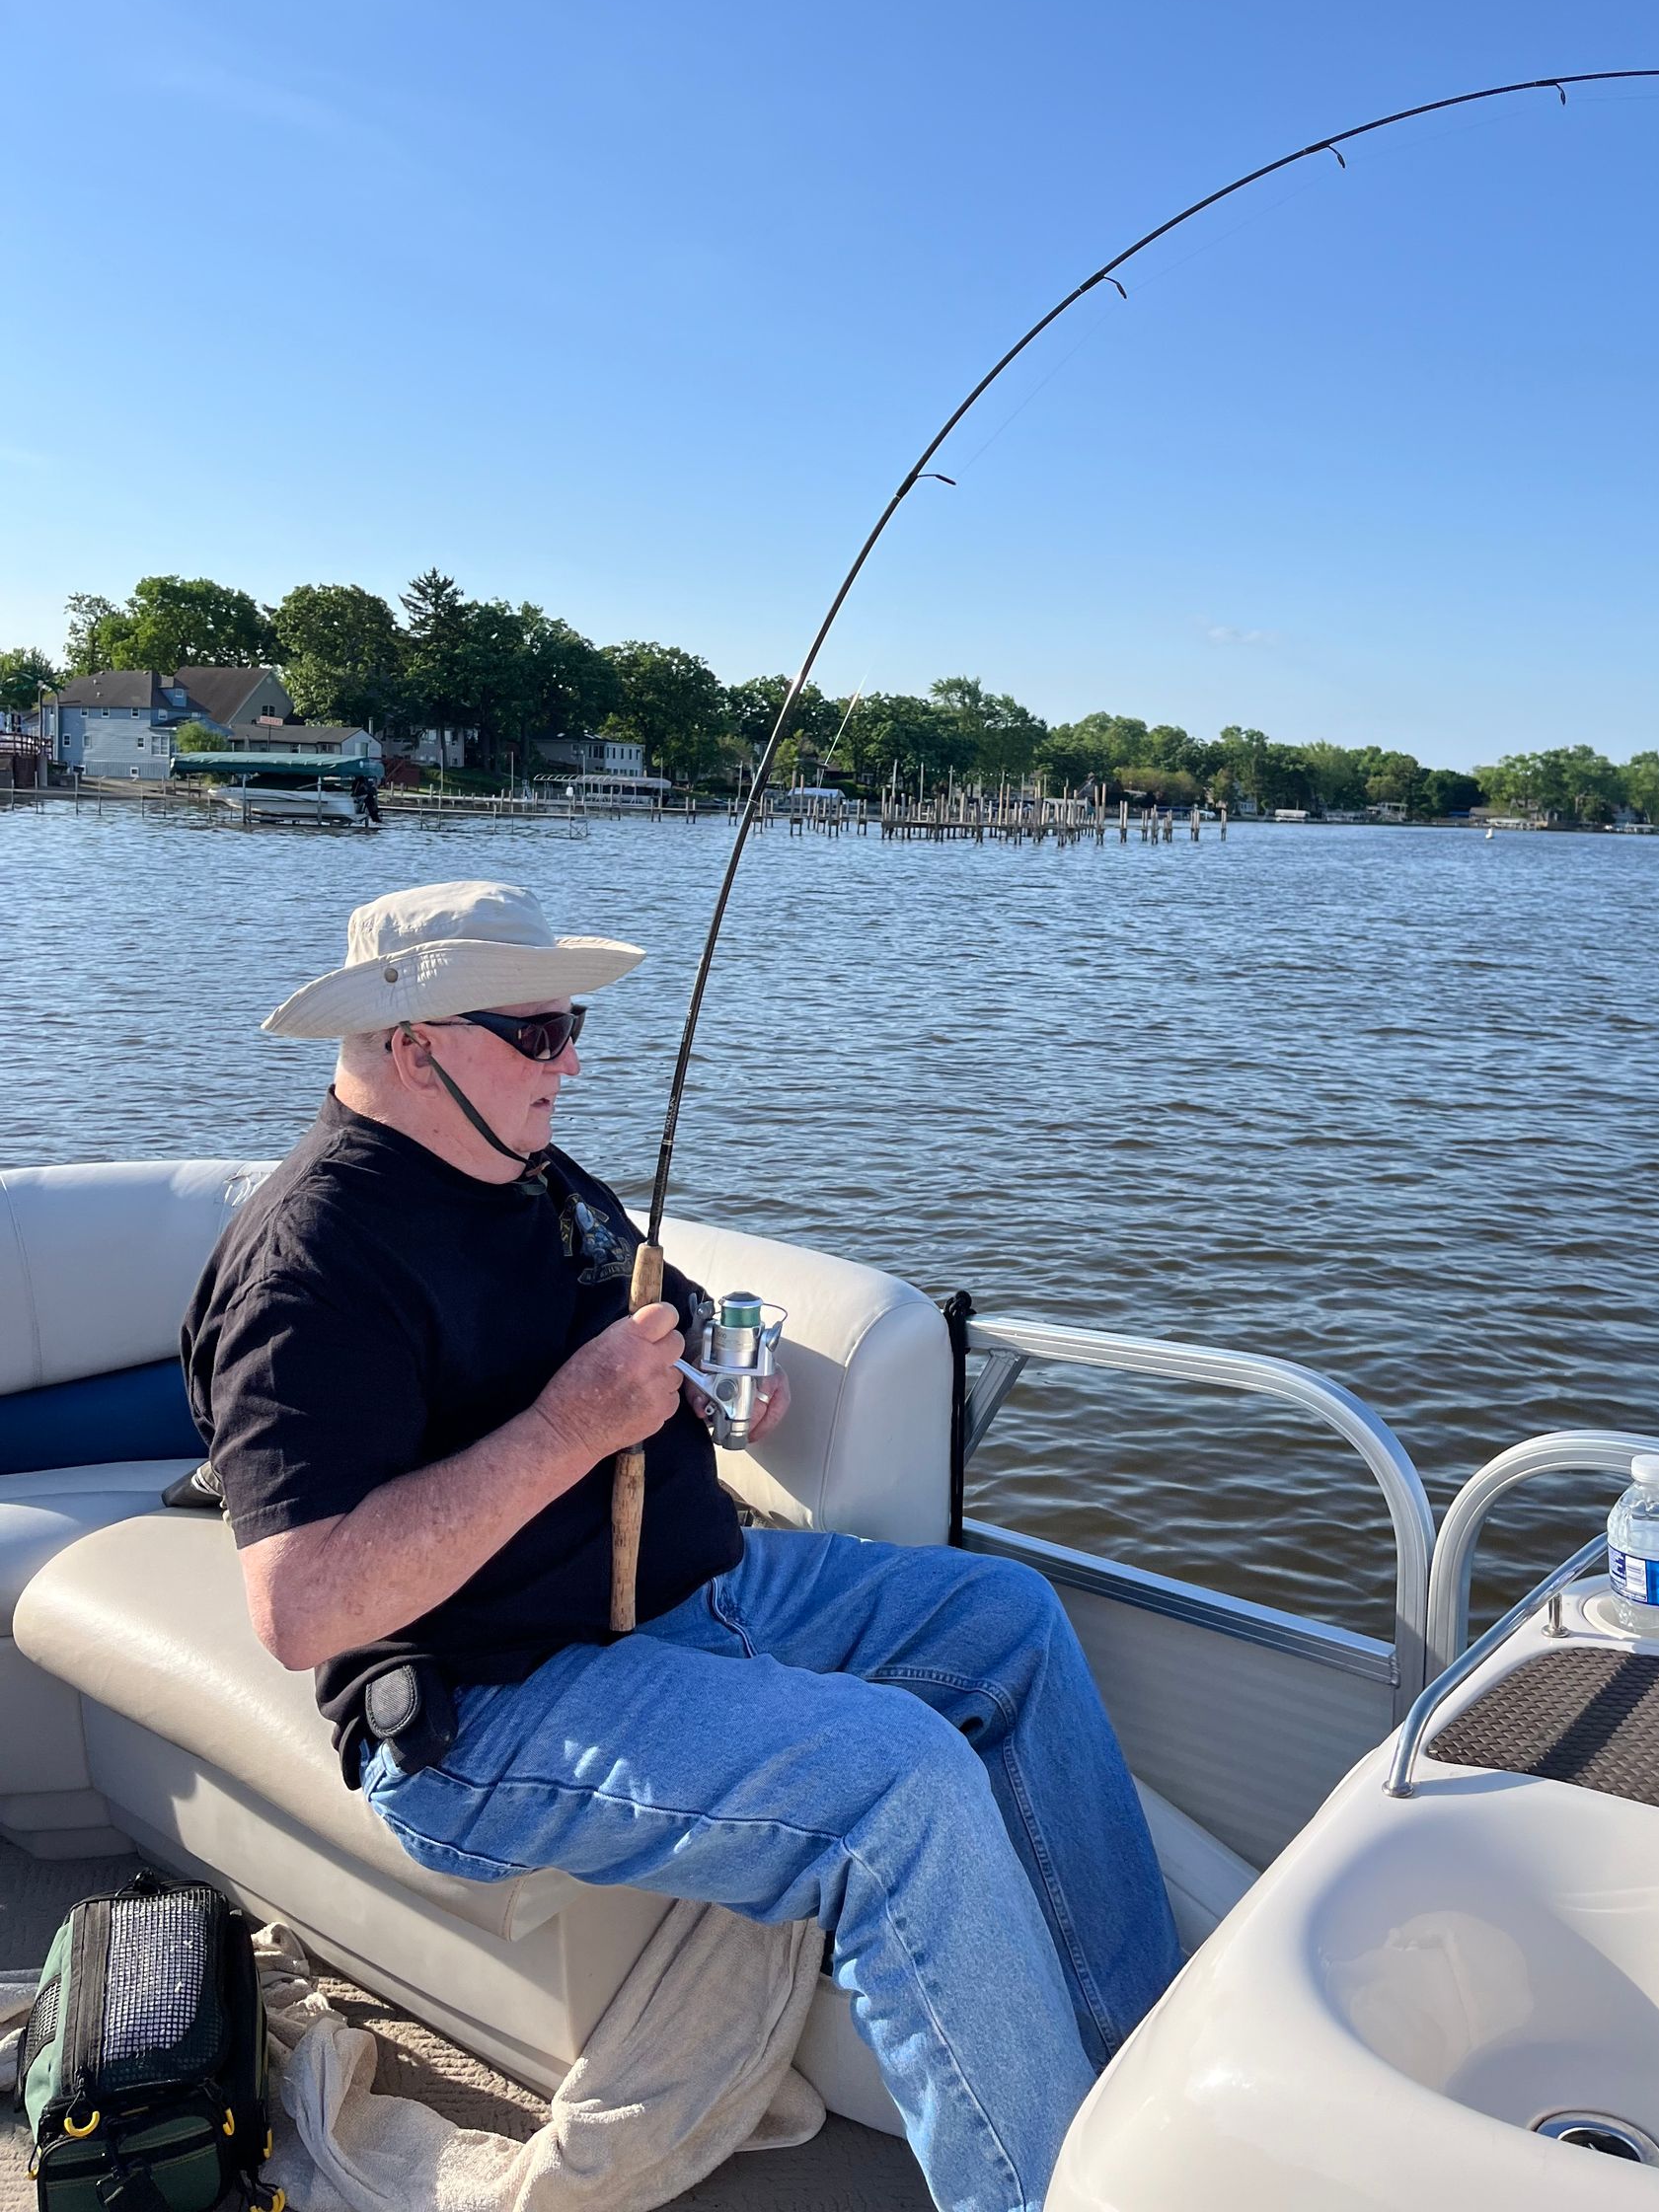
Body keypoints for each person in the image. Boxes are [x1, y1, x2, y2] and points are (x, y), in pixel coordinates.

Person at [183, 879, 1181, 2212]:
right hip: (495, 1698)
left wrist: (718, 1377)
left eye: (574, 1025)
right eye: (537, 1033)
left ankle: (1145, 2081)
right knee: (901, 1782)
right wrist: (568, 1428)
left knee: (1008, 1618)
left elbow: (669, 1319)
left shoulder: (534, 1176)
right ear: (414, 1046)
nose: (571, 1061)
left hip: (698, 1596)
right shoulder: (308, 1265)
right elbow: (302, 1606)